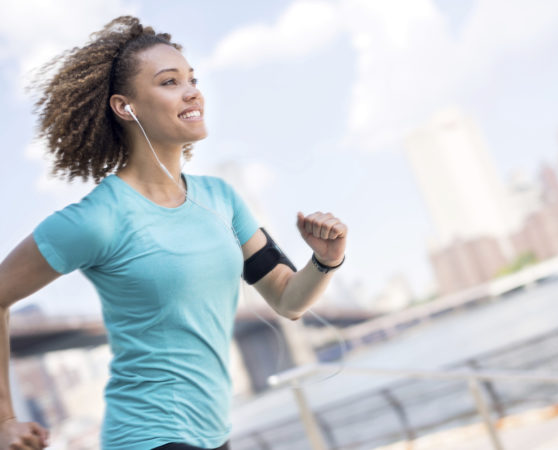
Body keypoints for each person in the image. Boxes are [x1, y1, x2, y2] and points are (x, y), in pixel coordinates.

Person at [0, 16, 347, 450]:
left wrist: (326, 260)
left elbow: (287, 299)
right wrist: (6, 419)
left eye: (192, 79)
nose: (192, 91)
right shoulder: (97, 219)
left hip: (213, 435)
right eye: (169, 82)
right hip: (149, 438)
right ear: (126, 107)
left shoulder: (221, 199)